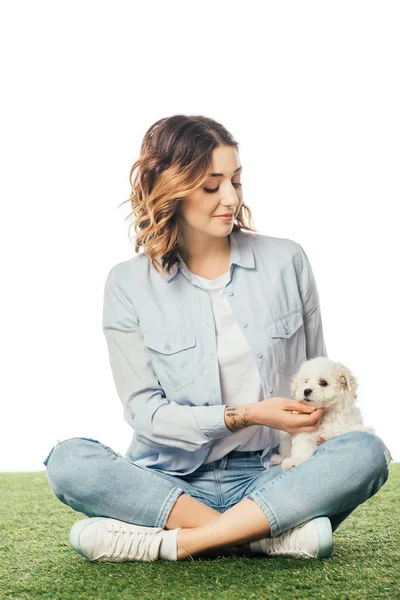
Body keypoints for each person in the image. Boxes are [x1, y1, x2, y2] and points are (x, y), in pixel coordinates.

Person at [43, 114, 391, 563]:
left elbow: (314, 373)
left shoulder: (287, 260)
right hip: (171, 483)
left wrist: (313, 437)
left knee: (365, 452)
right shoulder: (127, 284)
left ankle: (177, 542)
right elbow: (145, 413)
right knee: (69, 462)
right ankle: (261, 535)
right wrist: (243, 415)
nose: (231, 197)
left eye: (236, 181)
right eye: (212, 186)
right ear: (168, 188)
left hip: (273, 473)